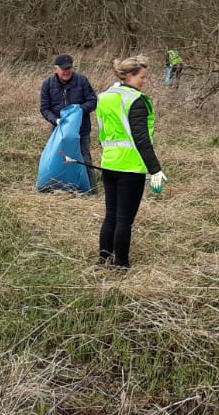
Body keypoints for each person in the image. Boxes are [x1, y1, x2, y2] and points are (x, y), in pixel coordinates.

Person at [95, 57, 165, 268]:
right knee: (124, 219)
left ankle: (103, 259)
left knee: (111, 216)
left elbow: (102, 131)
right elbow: (142, 140)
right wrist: (156, 170)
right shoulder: (136, 101)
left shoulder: (104, 97)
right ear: (128, 75)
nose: (144, 81)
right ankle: (121, 265)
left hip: (108, 163)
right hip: (131, 167)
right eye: (142, 77)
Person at [40, 54, 99, 171]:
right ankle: (64, 186)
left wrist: (78, 111)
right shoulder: (47, 84)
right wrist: (56, 120)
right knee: (59, 159)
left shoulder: (82, 80)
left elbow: (93, 101)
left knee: (84, 159)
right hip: (59, 130)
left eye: (69, 68)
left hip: (81, 130)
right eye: (64, 69)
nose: (67, 71)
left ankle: (90, 187)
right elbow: (44, 108)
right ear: (55, 69)